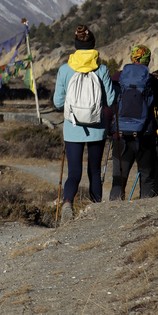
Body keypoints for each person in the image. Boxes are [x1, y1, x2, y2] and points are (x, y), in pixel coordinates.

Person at [53, 25, 115, 224]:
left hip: (72, 128)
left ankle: (67, 203)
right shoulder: (102, 69)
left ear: (76, 45)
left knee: (74, 172)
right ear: (93, 45)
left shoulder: (65, 69)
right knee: (94, 172)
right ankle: (95, 210)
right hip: (97, 127)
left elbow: (57, 102)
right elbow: (111, 100)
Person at [109, 45, 158, 200]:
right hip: (145, 136)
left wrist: (109, 130)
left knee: (119, 178)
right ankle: (144, 210)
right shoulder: (153, 82)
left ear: (132, 57)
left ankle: (113, 209)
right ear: (148, 60)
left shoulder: (117, 78)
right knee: (147, 178)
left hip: (120, 136)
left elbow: (107, 107)